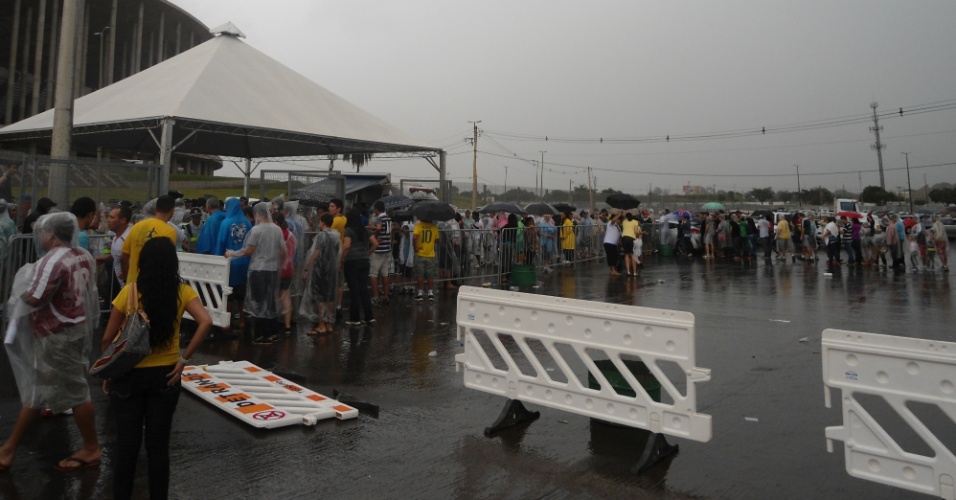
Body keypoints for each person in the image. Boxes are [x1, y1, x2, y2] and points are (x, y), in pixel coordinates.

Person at [102, 237, 211, 500]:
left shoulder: (130, 291)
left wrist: (108, 370)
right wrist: (184, 359)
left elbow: (107, 337)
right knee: (158, 448)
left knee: (126, 448)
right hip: (166, 375)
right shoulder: (182, 291)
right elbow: (205, 321)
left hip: (128, 374)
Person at [0, 213, 101, 472]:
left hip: (58, 335)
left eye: (42, 232)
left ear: (51, 234)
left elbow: (35, 297)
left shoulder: (53, 260)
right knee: (38, 390)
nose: (40, 236)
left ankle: (91, 447)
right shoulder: (82, 254)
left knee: (76, 393)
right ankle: (8, 449)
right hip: (75, 328)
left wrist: (19, 287)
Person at [226, 202, 285, 344]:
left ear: (257, 214)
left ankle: (260, 335)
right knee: (270, 301)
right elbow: (282, 250)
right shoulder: (277, 229)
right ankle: (272, 333)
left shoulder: (256, 230)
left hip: (258, 269)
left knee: (259, 301)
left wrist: (232, 253)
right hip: (272, 269)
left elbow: (249, 250)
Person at [121, 195, 177, 284]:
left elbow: (124, 256)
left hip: (132, 286)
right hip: (153, 287)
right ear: (173, 211)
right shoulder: (169, 231)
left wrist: (128, 278)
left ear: (155, 209)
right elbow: (166, 263)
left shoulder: (137, 226)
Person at [300, 214, 341, 334]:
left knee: (320, 297)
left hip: (321, 269)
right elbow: (338, 252)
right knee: (330, 297)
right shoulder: (336, 235)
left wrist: (307, 269)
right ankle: (329, 324)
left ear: (322, 222)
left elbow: (316, 253)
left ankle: (321, 324)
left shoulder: (322, 235)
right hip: (333, 269)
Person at [215, 198, 252, 333]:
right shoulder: (247, 223)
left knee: (229, 293)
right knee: (241, 293)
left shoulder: (226, 223)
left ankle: (227, 323)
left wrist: (218, 258)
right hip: (245, 261)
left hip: (230, 263)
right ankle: (242, 320)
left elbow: (221, 241)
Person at [342, 208, 377, 325]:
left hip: (352, 262)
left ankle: (355, 318)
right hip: (364, 261)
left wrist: (341, 259)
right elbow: (375, 243)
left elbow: (346, 246)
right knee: (364, 290)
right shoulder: (365, 230)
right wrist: (367, 253)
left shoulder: (349, 230)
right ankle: (369, 317)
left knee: (354, 290)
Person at [273, 212, 296, 336]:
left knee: (274, 297)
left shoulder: (276, 234)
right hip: (289, 269)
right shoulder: (291, 235)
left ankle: (273, 323)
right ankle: (287, 326)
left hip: (277, 270)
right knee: (286, 297)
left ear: (276, 222)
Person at [414, 217, 438, 302]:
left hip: (420, 254)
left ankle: (420, 293)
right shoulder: (434, 227)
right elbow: (437, 240)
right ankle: (430, 293)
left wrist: (416, 247)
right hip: (430, 254)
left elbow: (415, 237)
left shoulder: (418, 226)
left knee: (420, 275)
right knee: (430, 275)